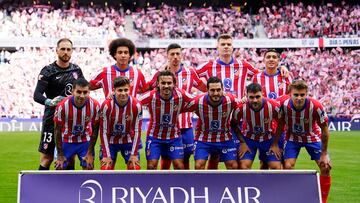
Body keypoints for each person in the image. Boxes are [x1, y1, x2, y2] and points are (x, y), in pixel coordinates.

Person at [196, 34, 289, 169]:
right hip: (218, 115)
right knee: (214, 154)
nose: (226, 47)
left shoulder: (243, 65)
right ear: (217, 47)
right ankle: (212, 186)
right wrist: (206, 90)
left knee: (237, 161)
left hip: (238, 117)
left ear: (233, 46)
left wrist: (280, 68)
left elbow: (263, 73)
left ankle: (239, 186)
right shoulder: (209, 66)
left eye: (229, 44)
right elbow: (189, 75)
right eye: (223, 44)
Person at [270, 80, 332, 203]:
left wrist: (324, 154)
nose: (299, 98)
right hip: (292, 137)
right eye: (296, 95)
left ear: (306, 94)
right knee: (287, 166)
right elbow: (280, 124)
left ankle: (323, 200)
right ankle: (290, 197)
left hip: (312, 136)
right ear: (290, 94)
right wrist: (275, 144)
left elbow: (325, 130)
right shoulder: (283, 104)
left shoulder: (316, 106)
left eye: (302, 95)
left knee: (325, 167)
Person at [148, 43, 207, 169]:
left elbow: (205, 89)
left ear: (181, 56)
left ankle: (183, 185)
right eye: (172, 54)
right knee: (166, 158)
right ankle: (166, 186)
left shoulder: (190, 73)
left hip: (185, 125)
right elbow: (147, 89)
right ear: (167, 56)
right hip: (165, 126)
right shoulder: (160, 75)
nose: (175, 57)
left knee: (185, 158)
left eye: (177, 54)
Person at [33, 38, 85, 170]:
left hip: (72, 119)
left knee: (70, 156)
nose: (66, 52)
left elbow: (84, 89)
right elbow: (37, 95)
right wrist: (49, 101)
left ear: (72, 51)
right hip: (52, 119)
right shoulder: (48, 71)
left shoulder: (76, 70)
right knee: (47, 157)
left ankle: (68, 190)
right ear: (57, 50)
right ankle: (41, 188)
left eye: (68, 49)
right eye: (63, 49)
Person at [139, 70, 193, 170]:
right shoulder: (151, 96)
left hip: (174, 137)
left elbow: (196, 101)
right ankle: (152, 186)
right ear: (158, 84)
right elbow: (134, 103)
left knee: (179, 166)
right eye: (163, 83)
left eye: (169, 83)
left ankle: (177, 186)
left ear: (174, 84)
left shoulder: (181, 95)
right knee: (151, 165)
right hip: (154, 137)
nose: (166, 86)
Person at [186, 77, 240, 170]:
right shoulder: (197, 101)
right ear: (207, 90)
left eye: (218, 90)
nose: (216, 93)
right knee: (199, 165)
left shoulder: (231, 100)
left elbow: (244, 107)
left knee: (233, 165)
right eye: (212, 90)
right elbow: (181, 108)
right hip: (203, 138)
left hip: (225, 138)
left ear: (223, 89)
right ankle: (203, 185)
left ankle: (231, 185)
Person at [252, 49, 293, 169]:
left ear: (278, 61)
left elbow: (292, 96)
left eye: (274, 57)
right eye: (268, 57)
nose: (271, 59)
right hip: (263, 124)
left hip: (281, 124)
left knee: (283, 162)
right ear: (263, 60)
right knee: (264, 162)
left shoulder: (286, 76)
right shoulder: (257, 77)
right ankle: (263, 187)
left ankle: (283, 187)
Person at [231, 83, 282, 169]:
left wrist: (275, 143)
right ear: (246, 96)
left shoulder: (273, 106)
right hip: (249, 139)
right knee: (243, 166)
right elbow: (233, 124)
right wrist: (242, 142)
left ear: (262, 94)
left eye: (257, 97)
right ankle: (246, 183)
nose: (255, 100)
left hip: (268, 138)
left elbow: (281, 123)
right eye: (251, 97)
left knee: (276, 167)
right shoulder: (240, 108)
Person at [53, 78, 100, 170]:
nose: (82, 96)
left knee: (88, 167)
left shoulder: (94, 105)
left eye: (85, 92)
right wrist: (60, 154)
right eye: (78, 92)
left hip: (85, 141)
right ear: (72, 91)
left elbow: (95, 130)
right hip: (66, 140)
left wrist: (90, 153)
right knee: (60, 168)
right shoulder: (62, 106)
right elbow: (57, 130)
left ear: (89, 92)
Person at [99, 76, 143, 170]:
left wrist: (134, 154)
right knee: (106, 168)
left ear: (130, 90)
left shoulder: (136, 105)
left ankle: (131, 185)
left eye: (125, 90)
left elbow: (137, 130)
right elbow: (103, 131)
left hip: (128, 140)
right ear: (114, 90)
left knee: (135, 167)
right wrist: (107, 155)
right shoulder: (106, 105)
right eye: (120, 90)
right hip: (111, 140)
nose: (123, 93)